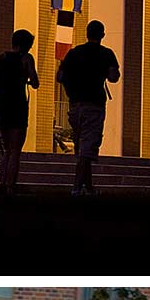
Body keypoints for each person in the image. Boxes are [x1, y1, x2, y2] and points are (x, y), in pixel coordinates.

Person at [57, 20, 120, 195]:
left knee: (81, 146)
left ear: (86, 33)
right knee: (87, 147)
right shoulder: (106, 54)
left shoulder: (74, 53)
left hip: (75, 104)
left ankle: (89, 186)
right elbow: (114, 77)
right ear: (102, 35)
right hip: (94, 104)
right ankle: (77, 187)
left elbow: (60, 76)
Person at [0, 32, 40, 194]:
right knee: (15, 149)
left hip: (1, 106)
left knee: (7, 147)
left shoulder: (2, 58)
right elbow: (35, 82)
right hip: (18, 106)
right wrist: (25, 80)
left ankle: (1, 182)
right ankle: (10, 185)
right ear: (27, 45)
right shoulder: (27, 59)